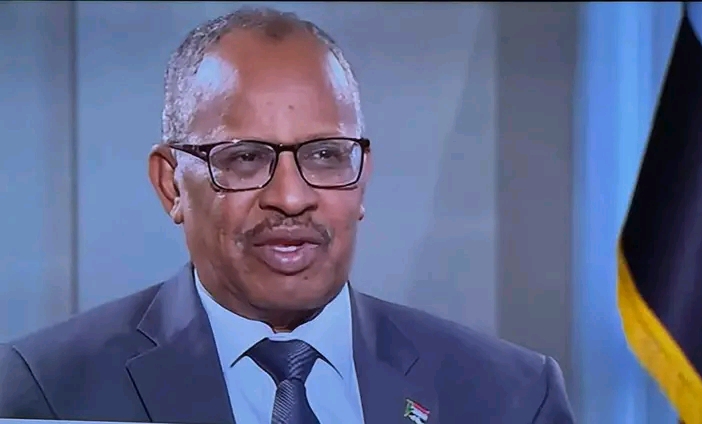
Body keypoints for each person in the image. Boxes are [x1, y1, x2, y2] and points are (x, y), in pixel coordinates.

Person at [0, 7, 574, 424]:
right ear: (170, 184)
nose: (292, 198)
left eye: (325, 155)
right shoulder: (42, 391)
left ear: (362, 176)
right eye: (245, 158)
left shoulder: (514, 397)